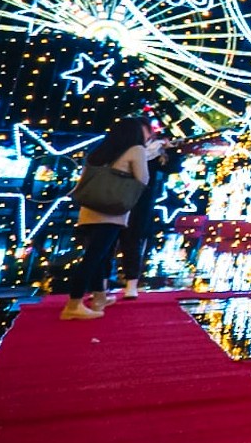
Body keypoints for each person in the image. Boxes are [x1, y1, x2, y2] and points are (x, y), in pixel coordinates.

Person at [60, 119, 158, 319]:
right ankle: (73, 304)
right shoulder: (136, 150)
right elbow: (143, 179)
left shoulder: (100, 150)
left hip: (89, 210)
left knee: (98, 256)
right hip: (111, 211)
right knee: (93, 258)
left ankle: (99, 297)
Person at [116, 119, 172, 298]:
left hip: (140, 201)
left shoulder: (156, 151)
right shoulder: (124, 150)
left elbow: (171, 167)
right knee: (109, 240)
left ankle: (131, 282)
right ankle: (101, 285)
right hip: (116, 198)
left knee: (133, 239)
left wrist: (170, 151)